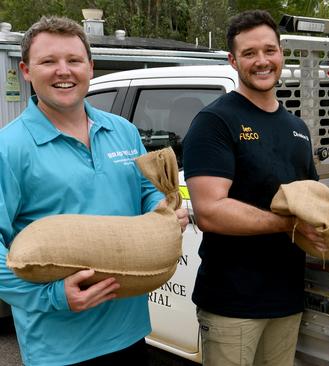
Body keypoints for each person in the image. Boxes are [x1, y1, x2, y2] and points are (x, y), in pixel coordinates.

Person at [183, 10, 329, 366]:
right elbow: (211, 212)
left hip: (287, 298)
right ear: (234, 60)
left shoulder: (296, 127)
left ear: (282, 53)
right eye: (249, 53)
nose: (261, 61)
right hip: (234, 303)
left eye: (269, 50)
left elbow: (314, 202)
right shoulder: (215, 122)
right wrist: (289, 225)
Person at [0, 16, 189, 365]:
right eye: (48, 61)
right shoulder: (9, 147)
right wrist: (53, 296)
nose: (63, 71)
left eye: (73, 60)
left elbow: (145, 193)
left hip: (130, 331)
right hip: (59, 347)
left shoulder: (123, 131)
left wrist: (164, 212)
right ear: (26, 71)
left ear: (91, 66)